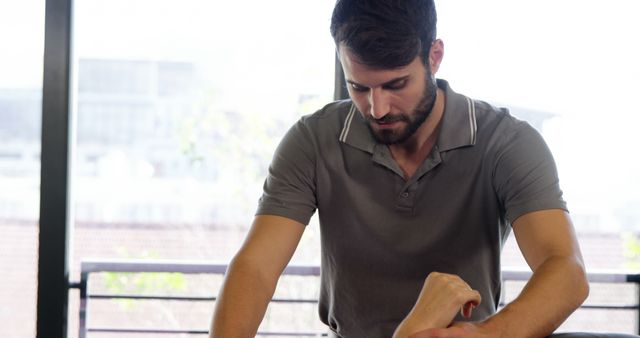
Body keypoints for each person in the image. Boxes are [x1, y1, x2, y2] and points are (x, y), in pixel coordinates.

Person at [210, 0, 590, 337]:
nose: (377, 109)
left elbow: (566, 269)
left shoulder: (506, 142)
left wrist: (490, 335)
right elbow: (256, 267)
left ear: (434, 56)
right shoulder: (313, 139)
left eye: (396, 84)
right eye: (359, 87)